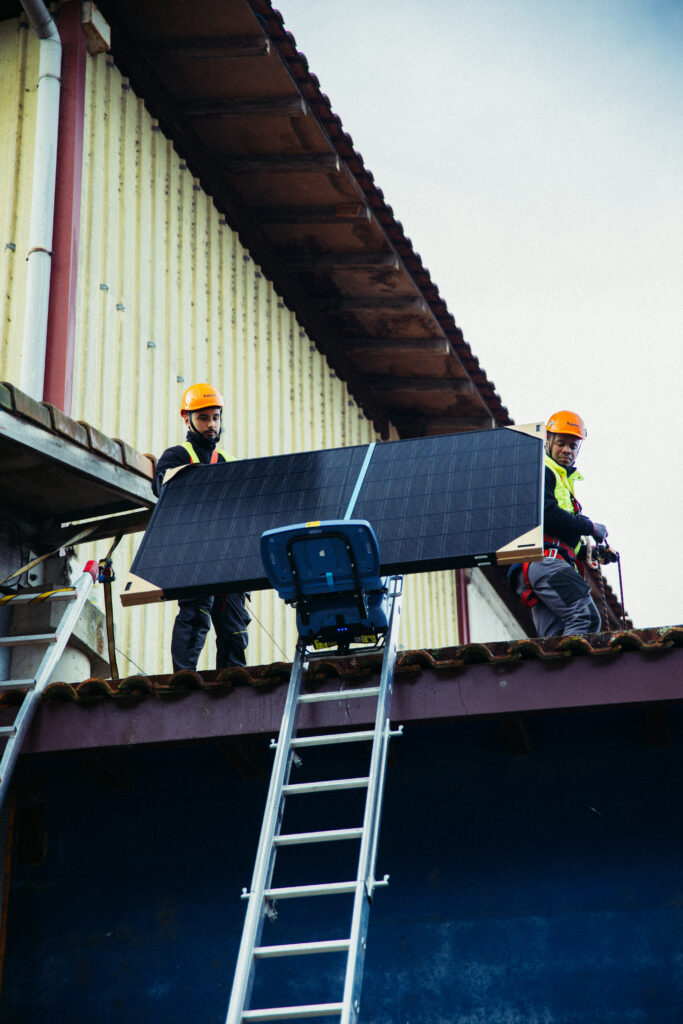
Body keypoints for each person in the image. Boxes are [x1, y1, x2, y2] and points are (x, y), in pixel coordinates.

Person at [153, 382, 250, 672]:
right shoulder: (177, 456)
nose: (211, 425)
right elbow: (164, 491)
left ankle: (232, 679)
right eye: (204, 418)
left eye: (215, 418)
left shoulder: (231, 462)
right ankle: (185, 677)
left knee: (234, 626)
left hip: (228, 555)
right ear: (187, 418)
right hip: (195, 553)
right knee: (196, 614)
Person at [511, 410, 615, 637]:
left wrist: (593, 552)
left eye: (572, 446)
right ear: (547, 440)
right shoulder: (541, 470)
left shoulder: (561, 480)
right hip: (545, 562)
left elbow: (559, 532)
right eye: (561, 443)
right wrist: (589, 526)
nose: (567, 450)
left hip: (540, 565)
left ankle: (554, 672)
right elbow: (547, 514)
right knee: (585, 618)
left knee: (554, 638)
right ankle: (574, 673)